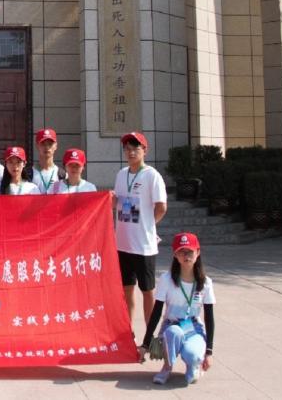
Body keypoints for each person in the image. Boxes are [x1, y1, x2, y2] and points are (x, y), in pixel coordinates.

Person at [139, 233, 215, 385]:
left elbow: (209, 317)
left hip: (194, 328)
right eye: (181, 252)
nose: (186, 256)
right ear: (175, 255)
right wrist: (145, 343)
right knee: (173, 332)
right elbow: (156, 311)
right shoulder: (166, 279)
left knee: (194, 356)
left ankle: (193, 366)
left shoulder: (206, 283)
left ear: (198, 252)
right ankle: (167, 367)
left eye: (190, 251)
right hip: (171, 326)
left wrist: (209, 352)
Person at [115, 131, 168, 326]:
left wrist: (149, 224)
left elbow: (161, 207)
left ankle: (149, 334)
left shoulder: (152, 176)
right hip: (123, 244)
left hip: (144, 246)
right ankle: (128, 331)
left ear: (145, 150)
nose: (131, 152)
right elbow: (118, 202)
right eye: (127, 149)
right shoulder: (121, 174)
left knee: (147, 291)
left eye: (135, 148)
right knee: (126, 289)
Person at [30, 127, 63, 194]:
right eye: (43, 144)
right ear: (37, 146)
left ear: (56, 146)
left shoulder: (62, 174)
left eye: (50, 144)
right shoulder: (29, 174)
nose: (47, 147)